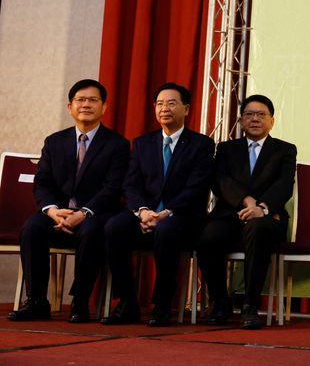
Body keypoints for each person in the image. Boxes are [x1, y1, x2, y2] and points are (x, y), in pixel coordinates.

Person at [8, 79, 129, 323]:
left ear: (104, 107)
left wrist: (83, 212)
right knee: (32, 228)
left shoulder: (117, 144)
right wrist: (53, 211)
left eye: (93, 100)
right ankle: (37, 301)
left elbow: (113, 188)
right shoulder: (54, 141)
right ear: (70, 106)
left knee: (94, 229)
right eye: (80, 100)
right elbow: (42, 182)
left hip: (94, 215)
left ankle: (80, 301)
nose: (86, 105)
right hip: (58, 214)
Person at [101, 82, 214, 326]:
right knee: (114, 227)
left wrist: (166, 213)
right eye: (160, 104)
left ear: (186, 109)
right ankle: (128, 302)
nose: (165, 108)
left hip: (182, 217)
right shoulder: (142, 143)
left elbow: (197, 188)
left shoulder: (201, 144)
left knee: (167, 230)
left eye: (172, 103)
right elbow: (131, 185)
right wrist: (142, 211)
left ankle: (162, 305)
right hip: (146, 213)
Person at [196, 94, 296, 329]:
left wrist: (261, 208)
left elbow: (284, 184)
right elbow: (219, 180)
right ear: (240, 121)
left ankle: (250, 306)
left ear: (272, 120)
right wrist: (246, 201)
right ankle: (221, 303)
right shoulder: (226, 148)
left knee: (258, 228)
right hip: (231, 214)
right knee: (207, 236)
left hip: (268, 217)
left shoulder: (284, 150)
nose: (255, 119)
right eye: (249, 114)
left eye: (261, 114)